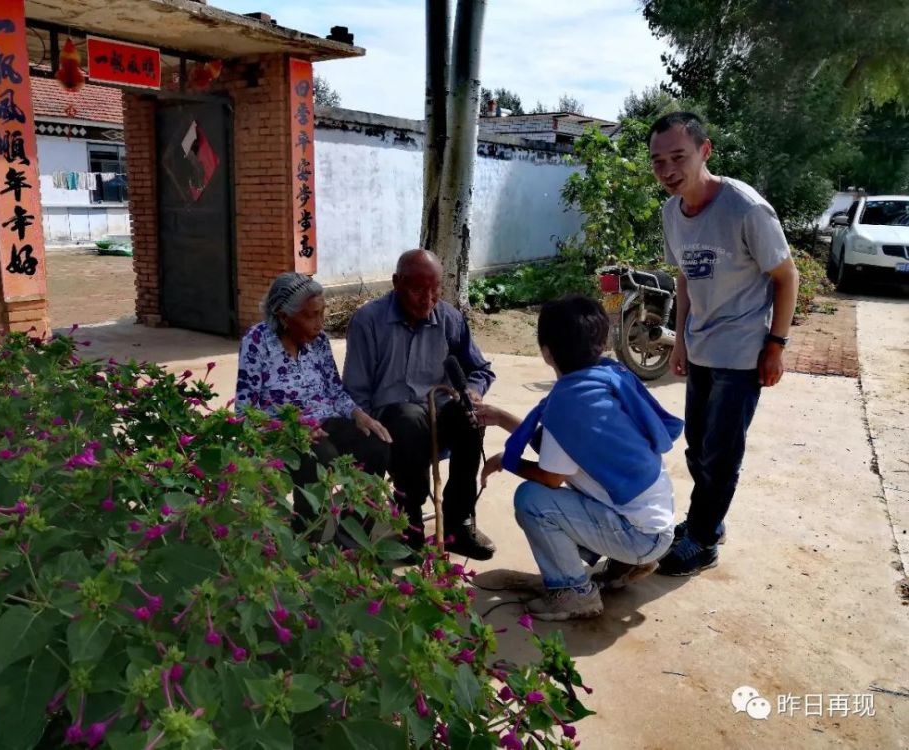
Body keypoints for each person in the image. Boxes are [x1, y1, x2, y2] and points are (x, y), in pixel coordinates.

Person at [648, 112, 799, 576]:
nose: (669, 170)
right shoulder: (671, 214)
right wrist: (679, 341)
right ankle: (706, 520)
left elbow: (786, 276)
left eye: (679, 157)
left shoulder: (746, 209)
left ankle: (703, 538)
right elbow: (684, 278)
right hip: (701, 348)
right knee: (697, 447)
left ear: (705, 151)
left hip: (742, 352)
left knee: (721, 452)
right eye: (658, 161)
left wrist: (775, 345)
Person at [478, 295, 683, 620]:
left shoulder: (567, 405)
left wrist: (508, 461)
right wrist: (503, 419)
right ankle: (623, 565)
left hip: (640, 536)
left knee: (532, 500)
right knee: (564, 494)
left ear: (546, 352)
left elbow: (551, 477)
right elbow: (560, 445)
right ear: (603, 344)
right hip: (654, 524)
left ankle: (573, 592)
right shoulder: (605, 378)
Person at [343, 249, 497, 560]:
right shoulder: (368, 321)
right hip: (390, 423)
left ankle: (458, 523)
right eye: (417, 289)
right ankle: (409, 523)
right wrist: (368, 434)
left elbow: (480, 370)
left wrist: (472, 391)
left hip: (438, 415)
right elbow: (355, 391)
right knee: (408, 418)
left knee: (469, 417)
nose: (428, 299)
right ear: (396, 282)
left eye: (435, 288)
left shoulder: (450, 319)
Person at [235, 272, 392, 525]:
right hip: (283, 432)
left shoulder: (319, 342)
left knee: (375, 442)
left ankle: (354, 531)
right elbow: (245, 410)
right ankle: (306, 532)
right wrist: (291, 427)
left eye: (322, 313)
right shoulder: (257, 342)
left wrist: (358, 414)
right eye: (311, 316)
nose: (320, 323)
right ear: (283, 317)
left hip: (325, 420)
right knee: (320, 457)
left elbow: (335, 391)